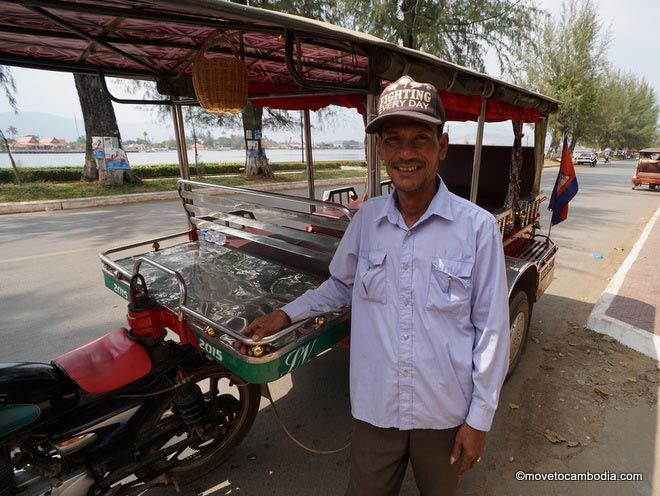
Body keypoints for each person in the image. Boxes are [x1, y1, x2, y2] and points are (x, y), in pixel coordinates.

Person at [236, 75, 510, 495]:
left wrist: (478, 420)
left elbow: (491, 332)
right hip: (376, 410)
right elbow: (340, 286)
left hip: (444, 414)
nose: (406, 153)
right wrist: (285, 314)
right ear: (380, 149)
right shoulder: (366, 221)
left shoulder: (477, 228)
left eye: (420, 138)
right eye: (393, 139)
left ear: (442, 146)